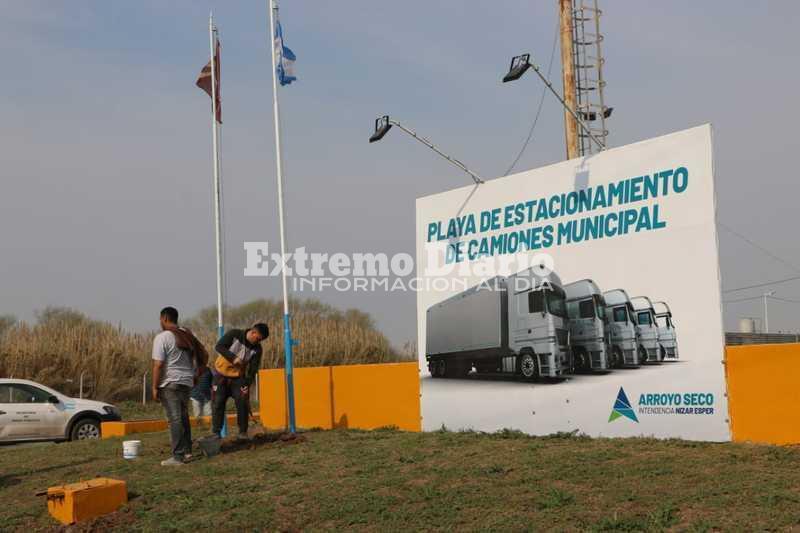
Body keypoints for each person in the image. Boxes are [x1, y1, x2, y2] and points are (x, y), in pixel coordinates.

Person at [152, 306, 208, 466]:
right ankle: (188, 452)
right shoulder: (187, 334)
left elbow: (158, 365)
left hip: (170, 383)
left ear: (164, 318)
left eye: (160, 320)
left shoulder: (163, 337)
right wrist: (196, 375)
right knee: (183, 417)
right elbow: (203, 354)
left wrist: (154, 387)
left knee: (175, 419)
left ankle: (177, 456)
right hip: (186, 382)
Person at [212, 323, 268, 440]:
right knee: (218, 403)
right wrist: (233, 358)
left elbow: (253, 368)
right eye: (257, 338)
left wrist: (247, 383)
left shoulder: (257, 349)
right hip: (220, 375)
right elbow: (219, 346)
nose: (258, 342)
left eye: (260, 340)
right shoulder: (234, 334)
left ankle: (242, 432)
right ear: (253, 332)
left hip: (238, 378)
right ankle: (216, 432)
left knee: (242, 402)